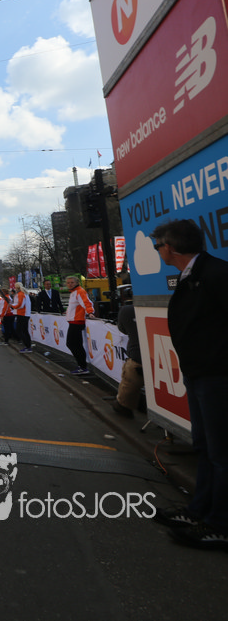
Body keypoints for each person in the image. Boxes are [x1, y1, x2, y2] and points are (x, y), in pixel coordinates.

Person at [149, 219, 228, 549]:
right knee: (205, 447)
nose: (158, 252)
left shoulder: (216, 274)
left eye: (158, 246)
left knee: (221, 453)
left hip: (217, 375)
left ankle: (220, 525)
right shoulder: (193, 275)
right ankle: (200, 511)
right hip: (199, 374)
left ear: (170, 247)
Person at [111, 287, 141, 419]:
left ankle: (125, 406)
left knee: (129, 384)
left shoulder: (127, 310)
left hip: (137, 357)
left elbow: (123, 329)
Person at [64, 274, 94, 375]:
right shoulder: (74, 293)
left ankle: (83, 366)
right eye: (68, 283)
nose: (70, 284)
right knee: (76, 345)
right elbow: (75, 307)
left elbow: (86, 303)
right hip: (74, 321)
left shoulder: (80, 291)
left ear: (77, 283)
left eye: (72, 282)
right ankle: (82, 366)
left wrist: (90, 312)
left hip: (77, 322)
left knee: (72, 344)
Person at [12, 283, 33, 353]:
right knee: (24, 331)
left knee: (20, 330)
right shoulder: (24, 294)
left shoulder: (21, 294)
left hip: (22, 314)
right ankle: (28, 346)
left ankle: (27, 346)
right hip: (25, 314)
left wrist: (12, 306)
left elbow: (20, 305)